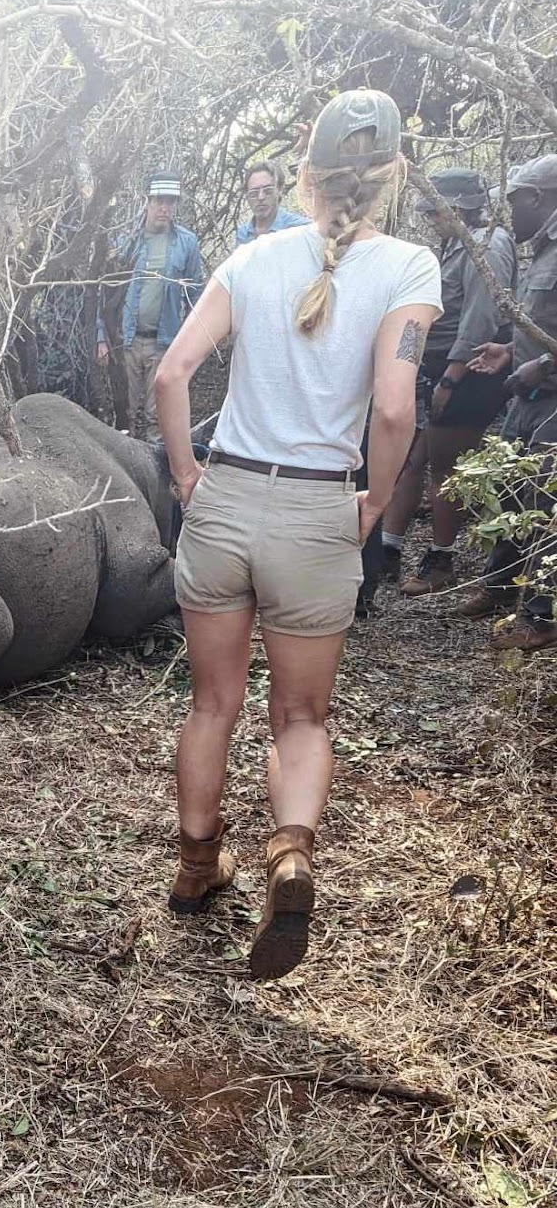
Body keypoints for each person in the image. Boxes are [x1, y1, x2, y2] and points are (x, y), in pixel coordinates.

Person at [153, 90, 442, 979]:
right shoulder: (408, 266)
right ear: (391, 172)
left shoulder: (250, 256)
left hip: (228, 496)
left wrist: (184, 475)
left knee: (212, 704)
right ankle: (289, 856)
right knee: (302, 714)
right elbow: (394, 408)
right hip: (320, 509)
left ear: (306, 174)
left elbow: (172, 373)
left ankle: (197, 870)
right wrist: (374, 502)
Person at [378, 169, 517, 593]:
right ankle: (387, 550)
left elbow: (481, 318)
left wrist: (452, 379)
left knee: (445, 468)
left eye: (436, 212)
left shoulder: (486, 248)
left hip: (470, 373)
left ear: (457, 209)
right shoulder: (453, 245)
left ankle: (442, 558)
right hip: (437, 369)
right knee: (411, 460)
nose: (431, 221)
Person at [461, 154, 557, 652]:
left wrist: (541, 367)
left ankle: (540, 615)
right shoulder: (539, 250)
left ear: (536, 197)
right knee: (512, 492)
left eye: (514, 201)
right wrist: (512, 352)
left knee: (544, 504)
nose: (509, 214)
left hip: (552, 402)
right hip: (527, 396)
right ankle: (499, 589)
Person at [96, 173, 203, 440]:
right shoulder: (126, 242)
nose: (164, 208)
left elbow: (195, 294)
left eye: (170, 202)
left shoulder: (186, 243)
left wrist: (192, 344)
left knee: (157, 415)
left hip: (164, 341)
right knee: (127, 411)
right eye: (159, 201)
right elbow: (105, 291)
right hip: (128, 339)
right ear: (147, 201)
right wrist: (101, 337)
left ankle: (156, 472)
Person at [235, 160, 310, 245]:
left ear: (280, 190)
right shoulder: (243, 235)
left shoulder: (300, 228)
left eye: (268, 191)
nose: (261, 197)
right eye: (254, 193)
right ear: (246, 195)